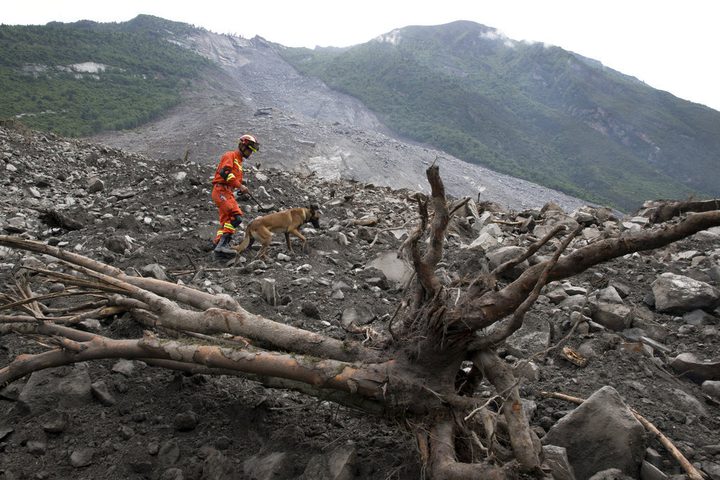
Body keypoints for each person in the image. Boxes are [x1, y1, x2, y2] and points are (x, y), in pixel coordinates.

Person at [211, 134, 260, 256]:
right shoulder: (230, 155)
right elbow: (225, 173)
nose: (250, 153)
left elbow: (233, 181)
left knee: (227, 220)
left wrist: (239, 190)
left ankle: (217, 244)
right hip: (221, 191)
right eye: (249, 150)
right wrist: (240, 186)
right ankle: (222, 246)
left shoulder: (239, 162)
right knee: (236, 217)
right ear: (242, 146)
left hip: (227, 191)